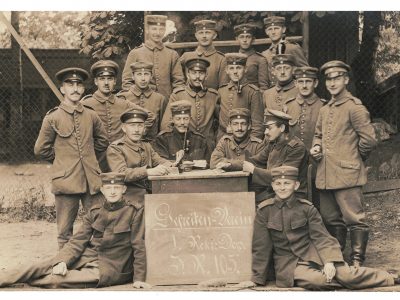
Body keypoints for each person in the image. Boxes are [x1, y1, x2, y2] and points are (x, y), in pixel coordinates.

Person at [237, 166, 399, 290]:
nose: (282, 187)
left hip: (316, 255)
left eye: (287, 183)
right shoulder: (265, 211)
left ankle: (389, 277)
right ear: (272, 186)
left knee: (346, 275)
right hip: (289, 263)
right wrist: (256, 278)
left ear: (296, 185)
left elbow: (322, 237)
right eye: (278, 183)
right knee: (320, 281)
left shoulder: (306, 208)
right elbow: (261, 247)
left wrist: (328, 261)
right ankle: (355, 282)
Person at [0, 172, 151, 289]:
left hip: (111, 268)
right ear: (102, 190)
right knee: (40, 266)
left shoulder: (134, 211)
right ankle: (3, 278)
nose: (112, 192)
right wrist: (63, 261)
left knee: (55, 280)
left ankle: (22, 280)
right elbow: (77, 241)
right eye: (109, 188)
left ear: (123, 189)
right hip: (87, 258)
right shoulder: (95, 211)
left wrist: (138, 279)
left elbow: (138, 245)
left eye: (116, 188)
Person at [310, 61, 378, 267]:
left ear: (346, 80)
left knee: (354, 219)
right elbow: (318, 135)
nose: (332, 83)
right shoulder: (325, 109)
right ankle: (337, 258)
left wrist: (355, 159)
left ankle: (357, 260)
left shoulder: (354, 107)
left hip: (347, 174)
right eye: (329, 79)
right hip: (326, 174)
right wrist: (316, 147)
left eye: (337, 78)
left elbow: (369, 139)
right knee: (330, 219)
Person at [34, 67, 109, 249]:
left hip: (91, 180)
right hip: (66, 180)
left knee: (99, 225)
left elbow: (103, 140)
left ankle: (94, 263)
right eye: (70, 84)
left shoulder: (91, 115)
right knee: (65, 230)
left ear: (83, 89)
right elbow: (40, 149)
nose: (75, 88)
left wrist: (90, 158)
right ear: (62, 89)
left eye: (78, 84)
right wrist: (61, 160)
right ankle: (65, 264)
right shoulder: (53, 117)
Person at [82, 60, 155, 171]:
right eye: (102, 79)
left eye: (110, 79)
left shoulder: (123, 103)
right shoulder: (85, 104)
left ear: (115, 81)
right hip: (95, 158)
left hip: (120, 156)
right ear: (96, 81)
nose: (106, 83)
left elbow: (149, 115)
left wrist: (135, 135)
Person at [107, 107, 173, 205]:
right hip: (129, 198)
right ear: (124, 128)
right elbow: (121, 174)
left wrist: (171, 164)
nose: (137, 130)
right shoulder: (116, 148)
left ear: (144, 128)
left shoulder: (146, 145)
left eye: (140, 126)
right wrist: (148, 171)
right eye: (132, 125)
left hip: (151, 193)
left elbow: (158, 160)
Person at [242, 108, 307, 204]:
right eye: (265, 128)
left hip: (291, 195)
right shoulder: (273, 143)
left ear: (282, 128)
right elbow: (255, 160)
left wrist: (253, 170)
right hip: (274, 191)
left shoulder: (296, 147)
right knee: (244, 199)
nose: (265, 132)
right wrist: (229, 164)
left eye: (269, 128)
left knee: (248, 204)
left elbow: (283, 176)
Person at [285, 66, 326, 208]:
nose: (304, 85)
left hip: (317, 163)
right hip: (294, 163)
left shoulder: (323, 106)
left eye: (308, 81)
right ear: (295, 84)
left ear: (315, 83)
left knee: (318, 200)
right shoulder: (288, 106)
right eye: (300, 81)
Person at [161, 55, 220, 148]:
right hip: (184, 144)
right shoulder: (178, 95)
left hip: (208, 147)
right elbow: (166, 125)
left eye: (201, 73)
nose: (197, 77)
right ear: (187, 74)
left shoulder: (213, 96)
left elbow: (222, 124)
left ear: (206, 75)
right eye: (194, 73)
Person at [121, 14, 185, 98]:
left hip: (167, 103)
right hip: (142, 104)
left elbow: (179, 83)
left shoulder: (172, 54)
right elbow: (127, 82)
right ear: (147, 30)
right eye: (154, 29)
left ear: (165, 30)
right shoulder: (135, 53)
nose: (157, 33)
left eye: (161, 29)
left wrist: (174, 100)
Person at [217, 53, 264, 141]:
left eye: (238, 68)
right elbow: (217, 118)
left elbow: (258, 125)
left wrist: (251, 146)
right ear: (227, 70)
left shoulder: (253, 92)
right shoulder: (221, 91)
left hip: (245, 141)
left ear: (245, 69)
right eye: (231, 68)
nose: (235, 72)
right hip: (223, 140)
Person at [117, 61, 167, 142]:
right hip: (128, 146)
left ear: (151, 76)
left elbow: (162, 128)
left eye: (146, 74)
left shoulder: (160, 99)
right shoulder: (123, 97)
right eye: (139, 74)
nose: (143, 79)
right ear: (133, 76)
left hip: (152, 146)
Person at [152, 100, 211, 164]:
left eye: (185, 118)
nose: (182, 123)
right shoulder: (162, 139)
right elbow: (160, 162)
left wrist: (193, 163)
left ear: (190, 119)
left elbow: (208, 163)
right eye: (178, 119)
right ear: (172, 119)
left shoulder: (200, 140)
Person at [179, 19, 228, 90]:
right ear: (196, 36)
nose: (204, 36)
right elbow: (176, 78)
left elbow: (223, 88)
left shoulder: (221, 59)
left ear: (214, 35)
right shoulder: (186, 56)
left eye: (207, 32)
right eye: (201, 33)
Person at [261, 16, 308, 86]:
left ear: (283, 29)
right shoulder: (265, 54)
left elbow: (305, 71)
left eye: (276, 28)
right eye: (270, 29)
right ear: (266, 32)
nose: (273, 32)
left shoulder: (292, 48)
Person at [234, 23, 270, 90]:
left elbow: (263, 87)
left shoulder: (260, 59)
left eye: (248, 37)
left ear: (253, 39)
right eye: (241, 37)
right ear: (236, 39)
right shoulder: (232, 58)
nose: (245, 40)